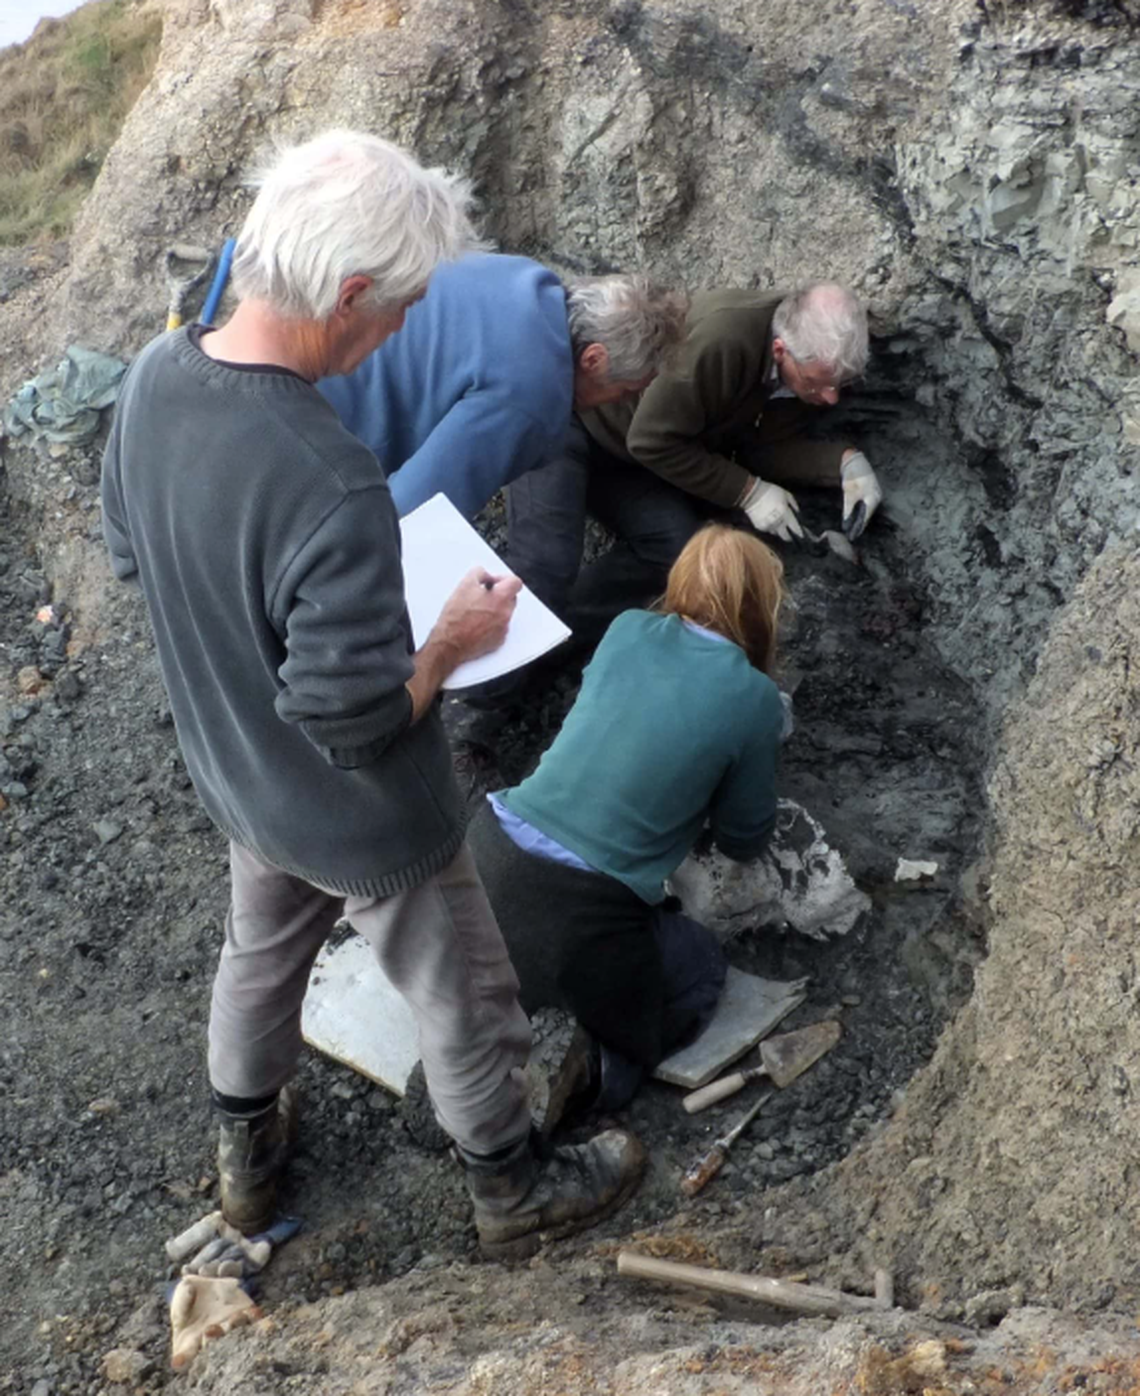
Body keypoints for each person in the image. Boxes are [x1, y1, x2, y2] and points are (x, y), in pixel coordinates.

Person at [100, 129, 645, 1264]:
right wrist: (447, 643)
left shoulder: (155, 377)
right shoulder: (330, 475)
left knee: (259, 961)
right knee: (465, 998)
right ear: (347, 292)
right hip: (366, 816)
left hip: (240, 776)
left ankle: (247, 1169)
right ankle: (513, 1187)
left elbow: (133, 555)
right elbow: (353, 722)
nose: (402, 331)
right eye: (396, 307)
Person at [466, 524, 787, 1108]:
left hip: (485, 860)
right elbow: (744, 839)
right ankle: (593, 1067)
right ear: (761, 608)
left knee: (515, 968)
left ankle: (495, 1018)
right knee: (698, 966)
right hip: (582, 919)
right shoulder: (755, 698)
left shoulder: (627, 627)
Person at [507, 281, 876, 639]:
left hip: (633, 461)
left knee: (678, 553)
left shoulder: (804, 365)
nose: (830, 398)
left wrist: (843, 463)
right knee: (546, 563)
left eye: (839, 384)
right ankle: (479, 686)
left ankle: (550, 641)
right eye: (818, 384)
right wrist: (747, 492)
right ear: (780, 351)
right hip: (574, 424)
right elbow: (651, 440)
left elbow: (760, 447)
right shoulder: (724, 341)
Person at [316, 251, 688, 520]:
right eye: (625, 391)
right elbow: (413, 513)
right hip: (318, 447)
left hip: (298, 373)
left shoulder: (519, 276)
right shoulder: (530, 395)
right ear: (594, 359)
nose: (615, 403)